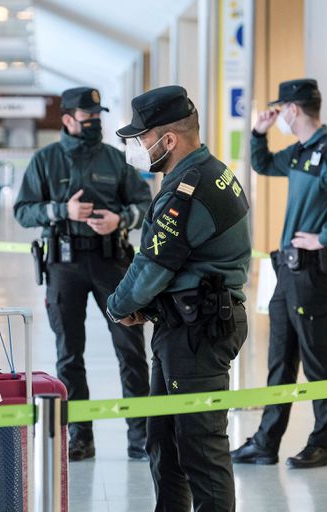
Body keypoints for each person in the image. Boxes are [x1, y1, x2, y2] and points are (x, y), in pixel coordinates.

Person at [106, 85, 251, 511]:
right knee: (165, 443)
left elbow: (153, 264)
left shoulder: (186, 191)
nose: (138, 147)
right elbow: (189, 262)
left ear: (167, 140)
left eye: (142, 139)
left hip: (197, 334)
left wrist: (119, 306)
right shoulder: (211, 171)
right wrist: (148, 307)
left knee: (199, 449)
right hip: (183, 324)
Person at [14, 87, 153, 461]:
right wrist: (61, 211)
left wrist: (121, 219)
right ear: (68, 120)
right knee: (69, 355)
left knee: (131, 350)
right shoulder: (45, 161)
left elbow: (144, 202)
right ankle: (80, 437)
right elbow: (23, 211)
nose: (94, 122)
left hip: (113, 263)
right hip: (64, 264)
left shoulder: (115, 159)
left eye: (97, 116)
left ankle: (141, 437)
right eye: (87, 117)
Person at [231, 79, 327, 469]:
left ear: (292, 110)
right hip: (287, 272)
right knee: (280, 360)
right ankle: (265, 442)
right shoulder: (301, 152)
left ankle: (322, 445)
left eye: (282, 110)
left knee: (318, 362)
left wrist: (323, 237)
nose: (281, 117)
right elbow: (262, 164)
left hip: (312, 274)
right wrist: (258, 133)